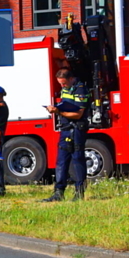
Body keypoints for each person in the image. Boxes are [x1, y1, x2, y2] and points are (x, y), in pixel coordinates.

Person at [43, 69, 90, 202]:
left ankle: (79, 193)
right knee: (61, 161)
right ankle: (58, 193)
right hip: (65, 128)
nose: (62, 86)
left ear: (71, 79)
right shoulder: (65, 89)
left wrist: (58, 112)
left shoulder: (80, 90)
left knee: (77, 160)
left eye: (64, 83)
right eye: (60, 84)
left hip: (76, 129)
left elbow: (78, 114)